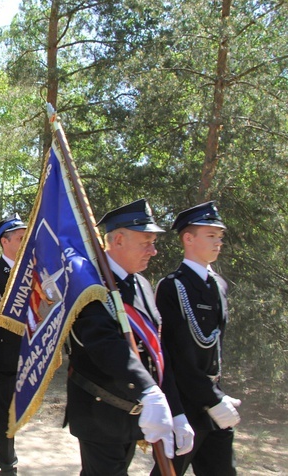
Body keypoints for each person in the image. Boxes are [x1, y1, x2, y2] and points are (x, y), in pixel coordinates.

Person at [64, 199, 194, 475]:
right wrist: (147, 390)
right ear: (119, 239)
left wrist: (176, 408)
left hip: (135, 414)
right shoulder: (90, 283)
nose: (154, 251)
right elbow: (104, 345)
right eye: (146, 242)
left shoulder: (142, 284)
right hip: (100, 413)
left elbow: (159, 351)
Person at [152, 202, 239, 475]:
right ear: (188, 239)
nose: (218, 242)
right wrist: (212, 398)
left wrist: (218, 397)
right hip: (187, 404)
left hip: (215, 403)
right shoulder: (172, 287)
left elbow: (215, 349)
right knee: (170, 471)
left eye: (220, 236)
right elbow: (177, 354)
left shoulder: (219, 285)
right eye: (211, 236)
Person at [0, 214, 27, 476]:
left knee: (16, 416)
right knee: (3, 418)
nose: (27, 243)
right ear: (5, 241)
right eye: (22, 238)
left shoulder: (35, 274)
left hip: (28, 360)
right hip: (1, 363)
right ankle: (6, 465)